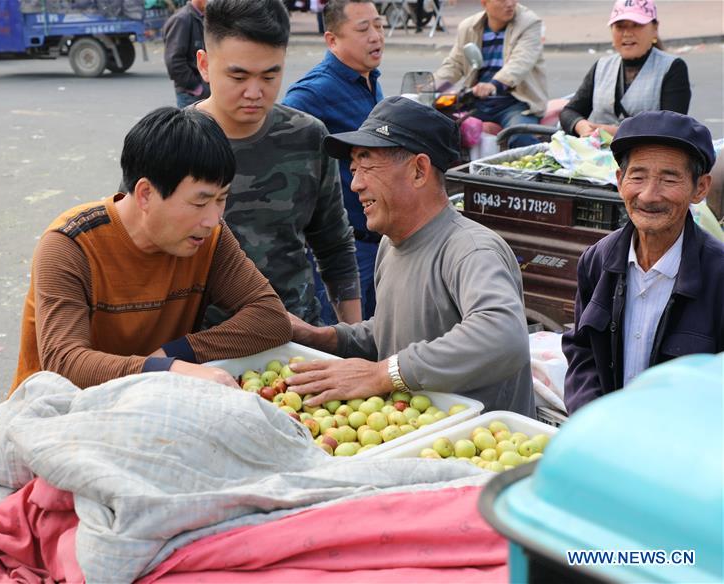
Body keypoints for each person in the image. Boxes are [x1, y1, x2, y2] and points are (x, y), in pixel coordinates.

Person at [11, 107, 292, 391]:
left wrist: (174, 354)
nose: (213, 218)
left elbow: (270, 317)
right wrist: (164, 369)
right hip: (54, 413)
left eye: (221, 199)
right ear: (146, 194)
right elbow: (64, 362)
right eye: (199, 202)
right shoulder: (71, 244)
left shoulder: (211, 238)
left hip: (151, 404)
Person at [286, 96, 534, 415]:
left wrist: (383, 374)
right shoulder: (391, 244)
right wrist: (323, 337)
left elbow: (503, 336)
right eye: (353, 169)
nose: (357, 184)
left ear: (419, 171)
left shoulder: (471, 249)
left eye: (367, 166)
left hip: (478, 453)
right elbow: (395, 332)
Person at [196, 0, 362, 327]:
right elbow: (135, 253)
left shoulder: (308, 137)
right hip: (198, 349)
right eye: (238, 76)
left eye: (270, 75)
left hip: (295, 339)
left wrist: (353, 340)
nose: (255, 92)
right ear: (204, 64)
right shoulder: (170, 144)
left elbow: (335, 248)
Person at [562, 111, 724, 414]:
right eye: (637, 176)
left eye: (669, 178)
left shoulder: (718, 274)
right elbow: (582, 349)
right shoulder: (597, 261)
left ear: (700, 188)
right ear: (620, 181)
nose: (649, 195)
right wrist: (592, 418)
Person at [283, 0, 384, 323]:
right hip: (347, 248)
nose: (375, 36)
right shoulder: (313, 93)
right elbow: (281, 149)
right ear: (332, 40)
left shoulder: (369, 79)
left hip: (379, 241)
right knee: (343, 346)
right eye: (363, 29)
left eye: (379, 25)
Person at [560, 0, 690, 138]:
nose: (627, 33)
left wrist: (612, 132)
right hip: (597, 155)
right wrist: (581, 126)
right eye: (620, 27)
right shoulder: (601, 67)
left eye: (637, 25)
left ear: (655, 29)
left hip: (647, 155)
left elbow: (671, 127)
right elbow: (569, 112)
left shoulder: (672, 68)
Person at [434, 0, 547, 149]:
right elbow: (454, 64)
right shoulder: (468, 27)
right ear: (484, 3)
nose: (510, 4)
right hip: (476, 101)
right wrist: (431, 86)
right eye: (502, 0)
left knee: (520, 137)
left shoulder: (529, 22)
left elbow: (520, 62)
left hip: (515, 102)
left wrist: (494, 84)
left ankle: (533, 170)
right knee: (440, 128)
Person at [163, 0, 210, 108]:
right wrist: (197, 88)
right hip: (191, 95)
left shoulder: (203, 17)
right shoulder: (181, 19)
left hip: (204, 92)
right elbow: (174, 61)